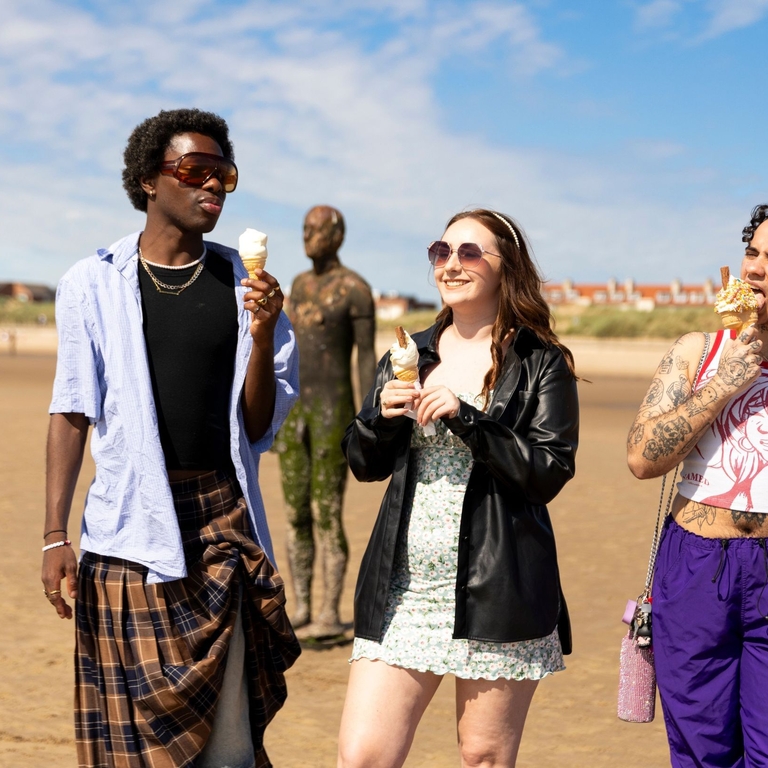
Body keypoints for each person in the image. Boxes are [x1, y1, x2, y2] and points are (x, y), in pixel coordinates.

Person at [41, 108, 300, 768]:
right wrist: (53, 534)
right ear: (148, 180)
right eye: (195, 171)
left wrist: (266, 331)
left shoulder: (248, 287)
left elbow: (256, 426)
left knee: (229, 744)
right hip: (126, 529)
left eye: (224, 175)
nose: (212, 187)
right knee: (127, 746)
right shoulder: (92, 283)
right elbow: (71, 411)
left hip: (222, 528)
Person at [337, 208, 579, 767]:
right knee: (363, 756)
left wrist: (469, 419)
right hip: (404, 586)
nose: (451, 264)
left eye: (470, 252)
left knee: (482, 757)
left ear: (505, 266)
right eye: (441, 252)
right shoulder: (407, 355)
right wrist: (380, 417)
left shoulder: (540, 361)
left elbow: (548, 471)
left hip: (498, 588)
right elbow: (363, 463)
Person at [627, 204, 768, 767]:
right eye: (753, 252)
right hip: (696, 565)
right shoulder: (696, 351)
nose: (756, 270)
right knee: (702, 748)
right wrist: (724, 384)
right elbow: (641, 458)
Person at [276, 205, 376, 639]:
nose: (308, 235)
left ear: (337, 236)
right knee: (295, 510)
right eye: (304, 228)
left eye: (317, 229)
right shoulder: (297, 286)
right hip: (295, 412)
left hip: (335, 413)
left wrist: (373, 414)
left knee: (327, 512)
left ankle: (330, 612)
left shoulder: (355, 289)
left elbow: (366, 356)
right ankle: (301, 607)